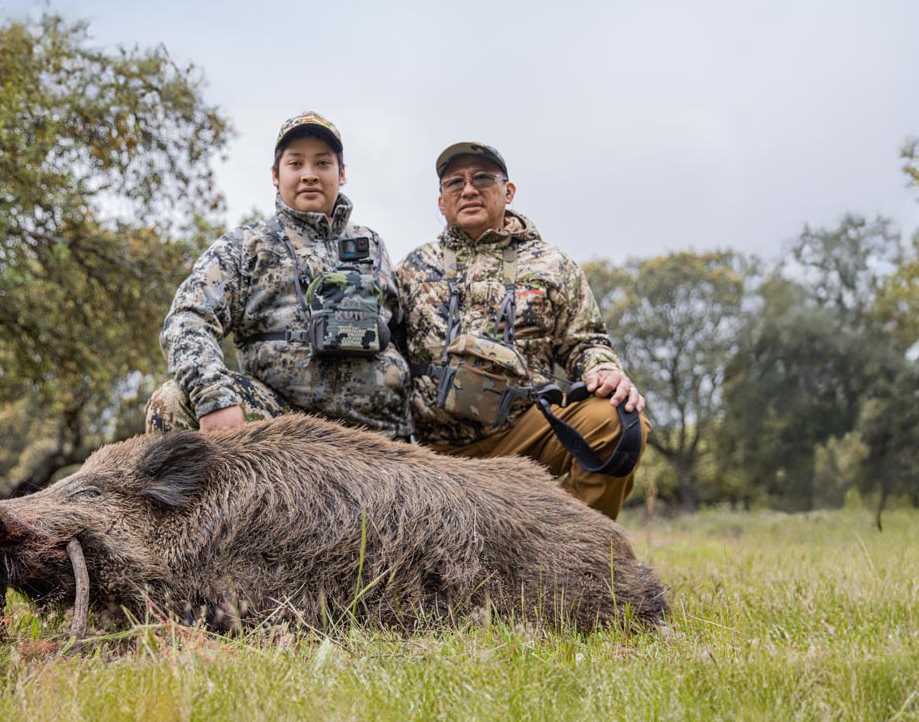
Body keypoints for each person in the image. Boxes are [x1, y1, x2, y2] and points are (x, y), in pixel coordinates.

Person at [394, 141, 648, 519]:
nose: (468, 189)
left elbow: (586, 342)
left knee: (619, 422)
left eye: (482, 178)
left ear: (508, 192)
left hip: (525, 431)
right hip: (434, 450)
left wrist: (603, 369)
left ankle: (570, 555)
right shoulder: (410, 268)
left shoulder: (553, 263)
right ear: (441, 201)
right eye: (454, 183)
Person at [145, 112, 412, 439]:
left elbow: (403, 333)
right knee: (172, 402)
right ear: (275, 175)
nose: (310, 175)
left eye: (323, 164)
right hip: (283, 429)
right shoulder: (247, 246)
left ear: (342, 174)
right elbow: (187, 319)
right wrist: (213, 397)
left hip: (379, 434)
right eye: (296, 164)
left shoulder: (373, 245)